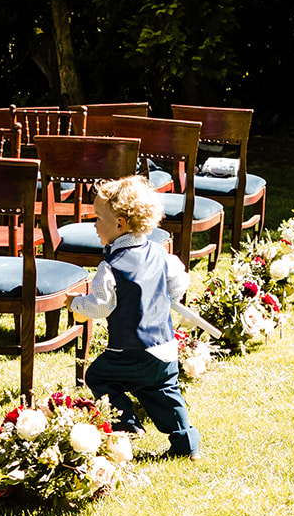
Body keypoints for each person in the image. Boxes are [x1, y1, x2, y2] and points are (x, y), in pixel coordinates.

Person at [67, 176, 202, 461]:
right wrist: (167, 296)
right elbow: (180, 280)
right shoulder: (160, 253)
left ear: (120, 224)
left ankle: (126, 425)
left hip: (130, 350)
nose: (94, 225)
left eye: (98, 218)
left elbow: (100, 307)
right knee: (164, 391)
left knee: (98, 376)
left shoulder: (112, 266)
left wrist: (75, 302)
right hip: (165, 348)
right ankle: (187, 443)